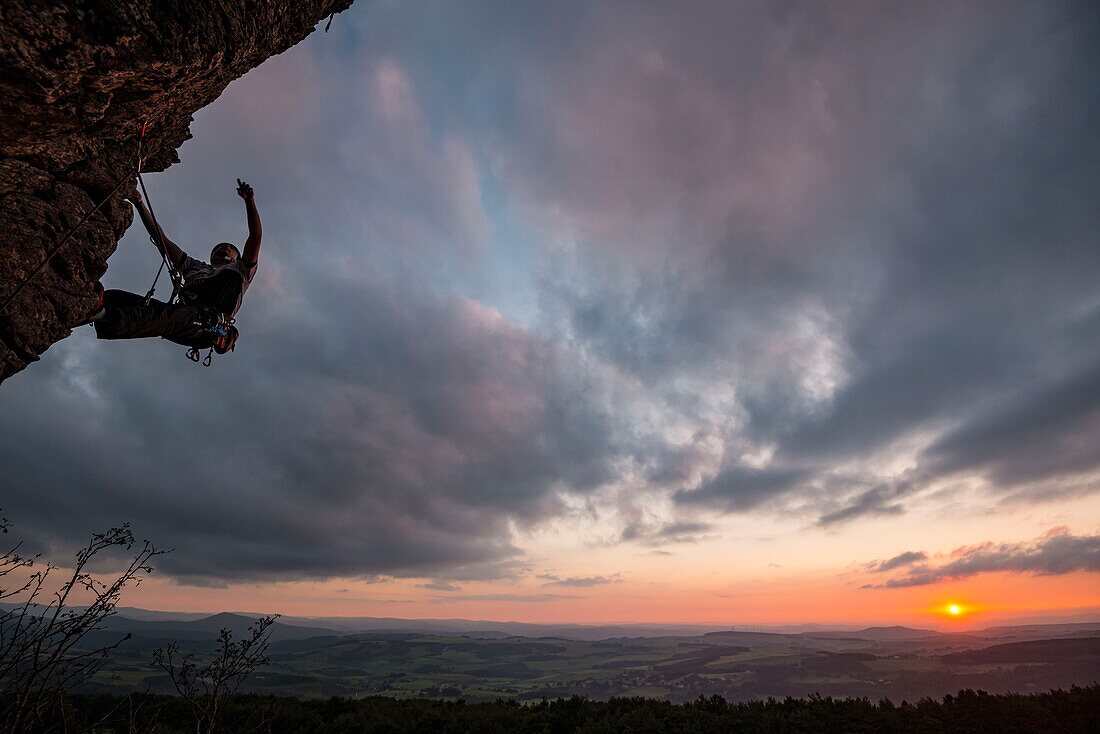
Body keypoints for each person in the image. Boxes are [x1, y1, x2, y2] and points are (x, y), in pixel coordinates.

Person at [84, 179, 262, 356]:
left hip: (207, 326)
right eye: (219, 248)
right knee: (116, 297)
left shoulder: (241, 271)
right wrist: (139, 204)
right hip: (184, 319)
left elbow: (255, 236)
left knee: (165, 316)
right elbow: (161, 239)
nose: (225, 249)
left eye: (230, 249)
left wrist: (249, 201)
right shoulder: (194, 267)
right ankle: (82, 311)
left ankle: (101, 315)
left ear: (236, 258)